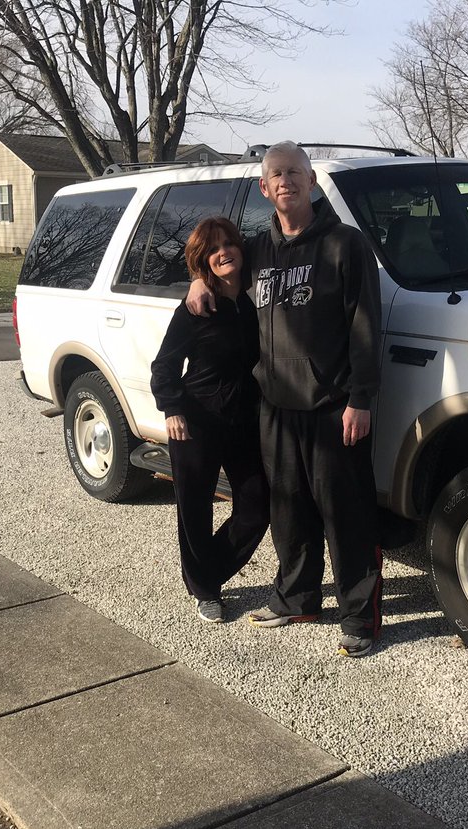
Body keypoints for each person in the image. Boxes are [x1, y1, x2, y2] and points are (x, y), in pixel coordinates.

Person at [187, 141, 383, 657]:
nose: (286, 181)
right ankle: (297, 596)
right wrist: (195, 283)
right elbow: (216, 265)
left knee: (347, 516)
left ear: (312, 181)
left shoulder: (345, 244)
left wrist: (360, 399)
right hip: (274, 409)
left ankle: (359, 617)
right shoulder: (257, 251)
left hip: (333, 408)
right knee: (289, 511)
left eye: (295, 171)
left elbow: (366, 326)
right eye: (277, 174)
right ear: (264, 187)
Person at [151, 216, 270, 624]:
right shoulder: (196, 308)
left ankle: (207, 572)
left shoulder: (253, 301)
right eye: (213, 249)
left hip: (242, 419)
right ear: (203, 260)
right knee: (195, 509)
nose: (224, 252)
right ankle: (204, 590)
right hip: (195, 421)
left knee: (256, 505)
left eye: (229, 244)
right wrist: (172, 408)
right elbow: (164, 365)